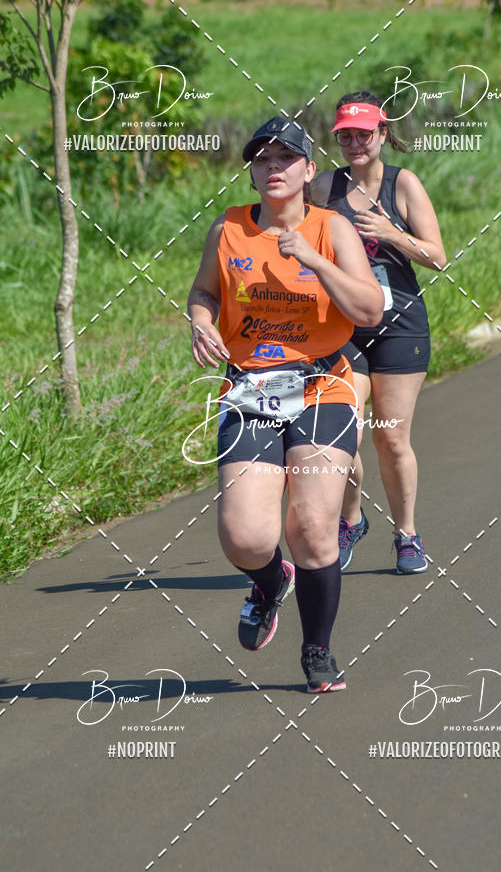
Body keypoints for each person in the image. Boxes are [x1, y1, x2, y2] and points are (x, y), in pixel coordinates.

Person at [187, 116, 383, 692]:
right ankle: (271, 583)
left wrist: (315, 260)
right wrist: (200, 321)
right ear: (252, 172)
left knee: (314, 526)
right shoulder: (227, 229)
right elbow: (204, 291)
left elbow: (369, 310)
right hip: (251, 387)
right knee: (244, 536)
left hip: (324, 384)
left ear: (308, 170)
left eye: (285, 158)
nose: (273, 168)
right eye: (262, 159)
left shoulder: (331, 228)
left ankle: (318, 650)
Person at [311, 92, 446, 574]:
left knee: (390, 439)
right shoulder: (323, 186)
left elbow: (437, 256)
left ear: (383, 134)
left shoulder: (403, 184)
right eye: (346, 135)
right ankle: (351, 518)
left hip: (399, 326)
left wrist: (391, 234)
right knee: (341, 434)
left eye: (364, 134)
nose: (354, 143)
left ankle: (407, 534)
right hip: (340, 326)